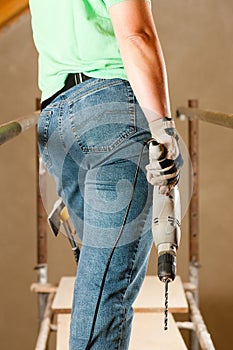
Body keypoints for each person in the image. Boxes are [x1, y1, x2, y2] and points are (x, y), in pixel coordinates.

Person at [29, 0, 183, 349]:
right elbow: (136, 35)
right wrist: (163, 128)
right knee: (105, 294)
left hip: (55, 121)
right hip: (109, 113)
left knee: (100, 278)